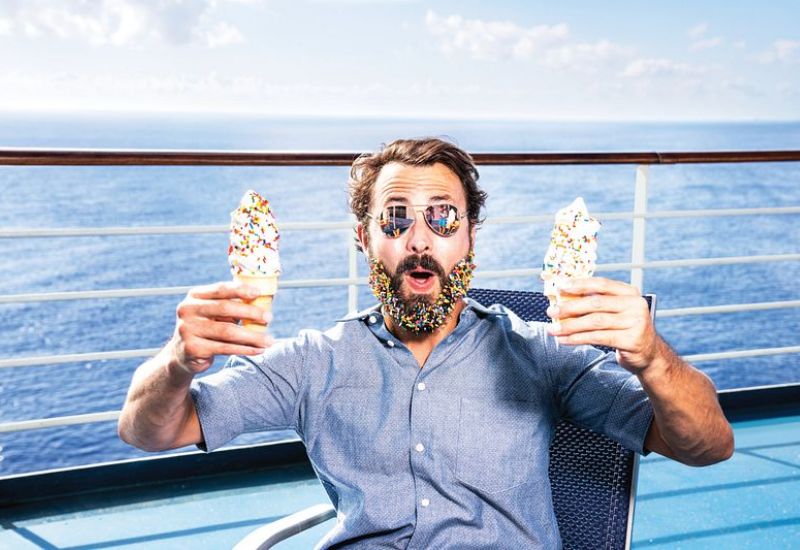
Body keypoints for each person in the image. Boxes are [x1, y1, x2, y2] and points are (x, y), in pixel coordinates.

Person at [119, 137, 733, 548]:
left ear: (469, 240)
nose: (419, 240)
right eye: (395, 219)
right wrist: (179, 362)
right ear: (365, 240)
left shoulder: (541, 352)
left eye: (443, 218)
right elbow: (149, 430)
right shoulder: (314, 361)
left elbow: (709, 445)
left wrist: (653, 358)